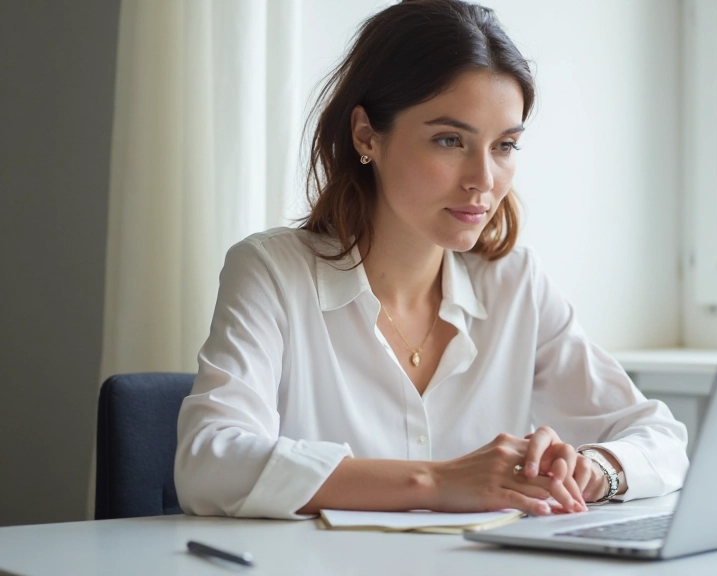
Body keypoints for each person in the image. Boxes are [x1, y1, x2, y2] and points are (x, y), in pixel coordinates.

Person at [174, 0, 688, 520]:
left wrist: (593, 469)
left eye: (505, 146)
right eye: (449, 140)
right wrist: (437, 481)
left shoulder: (515, 284)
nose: (483, 180)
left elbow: (662, 438)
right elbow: (208, 462)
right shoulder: (271, 272)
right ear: (366, 136)